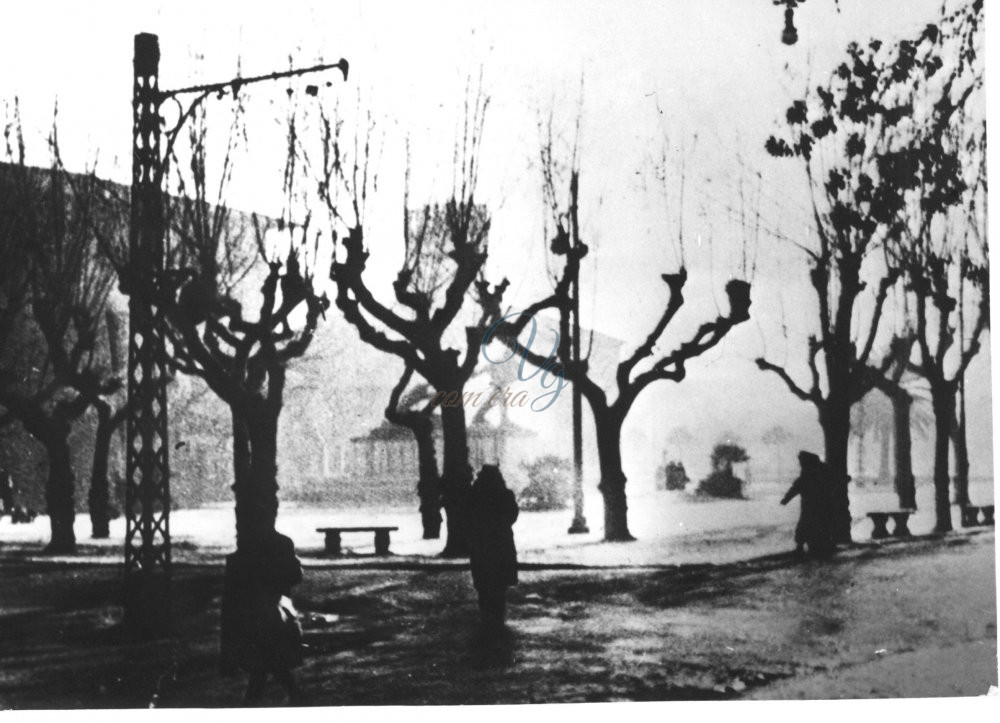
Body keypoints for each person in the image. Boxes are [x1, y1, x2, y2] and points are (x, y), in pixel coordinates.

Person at [220, 529, 304, 704]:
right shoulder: (281, 543)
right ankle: (295, 697)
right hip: (274, 612)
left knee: (264, 663)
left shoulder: (245, 548)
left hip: (256, 613)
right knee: (269, 661)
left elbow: (234, 593)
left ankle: (288, 697)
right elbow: (294, 576)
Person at [467, 464, 519, 635]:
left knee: (483, 583)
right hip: (501, 543)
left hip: (481, 543)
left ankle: (486, 617)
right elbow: (512, 515)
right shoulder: (505, 494)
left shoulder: (475, 494)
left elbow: (468, 515)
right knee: (499, 584)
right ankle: (497, 618)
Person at [780, 451, 835, 558]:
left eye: (801, 461)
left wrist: (786, 499)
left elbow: (796, 487)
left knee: (805, 526)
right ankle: (818, 547)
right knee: (818, 526)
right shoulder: (822, 471)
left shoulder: (807, 474)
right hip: (820, 506)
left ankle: (803, 547)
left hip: (811, 506)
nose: (800, 464)